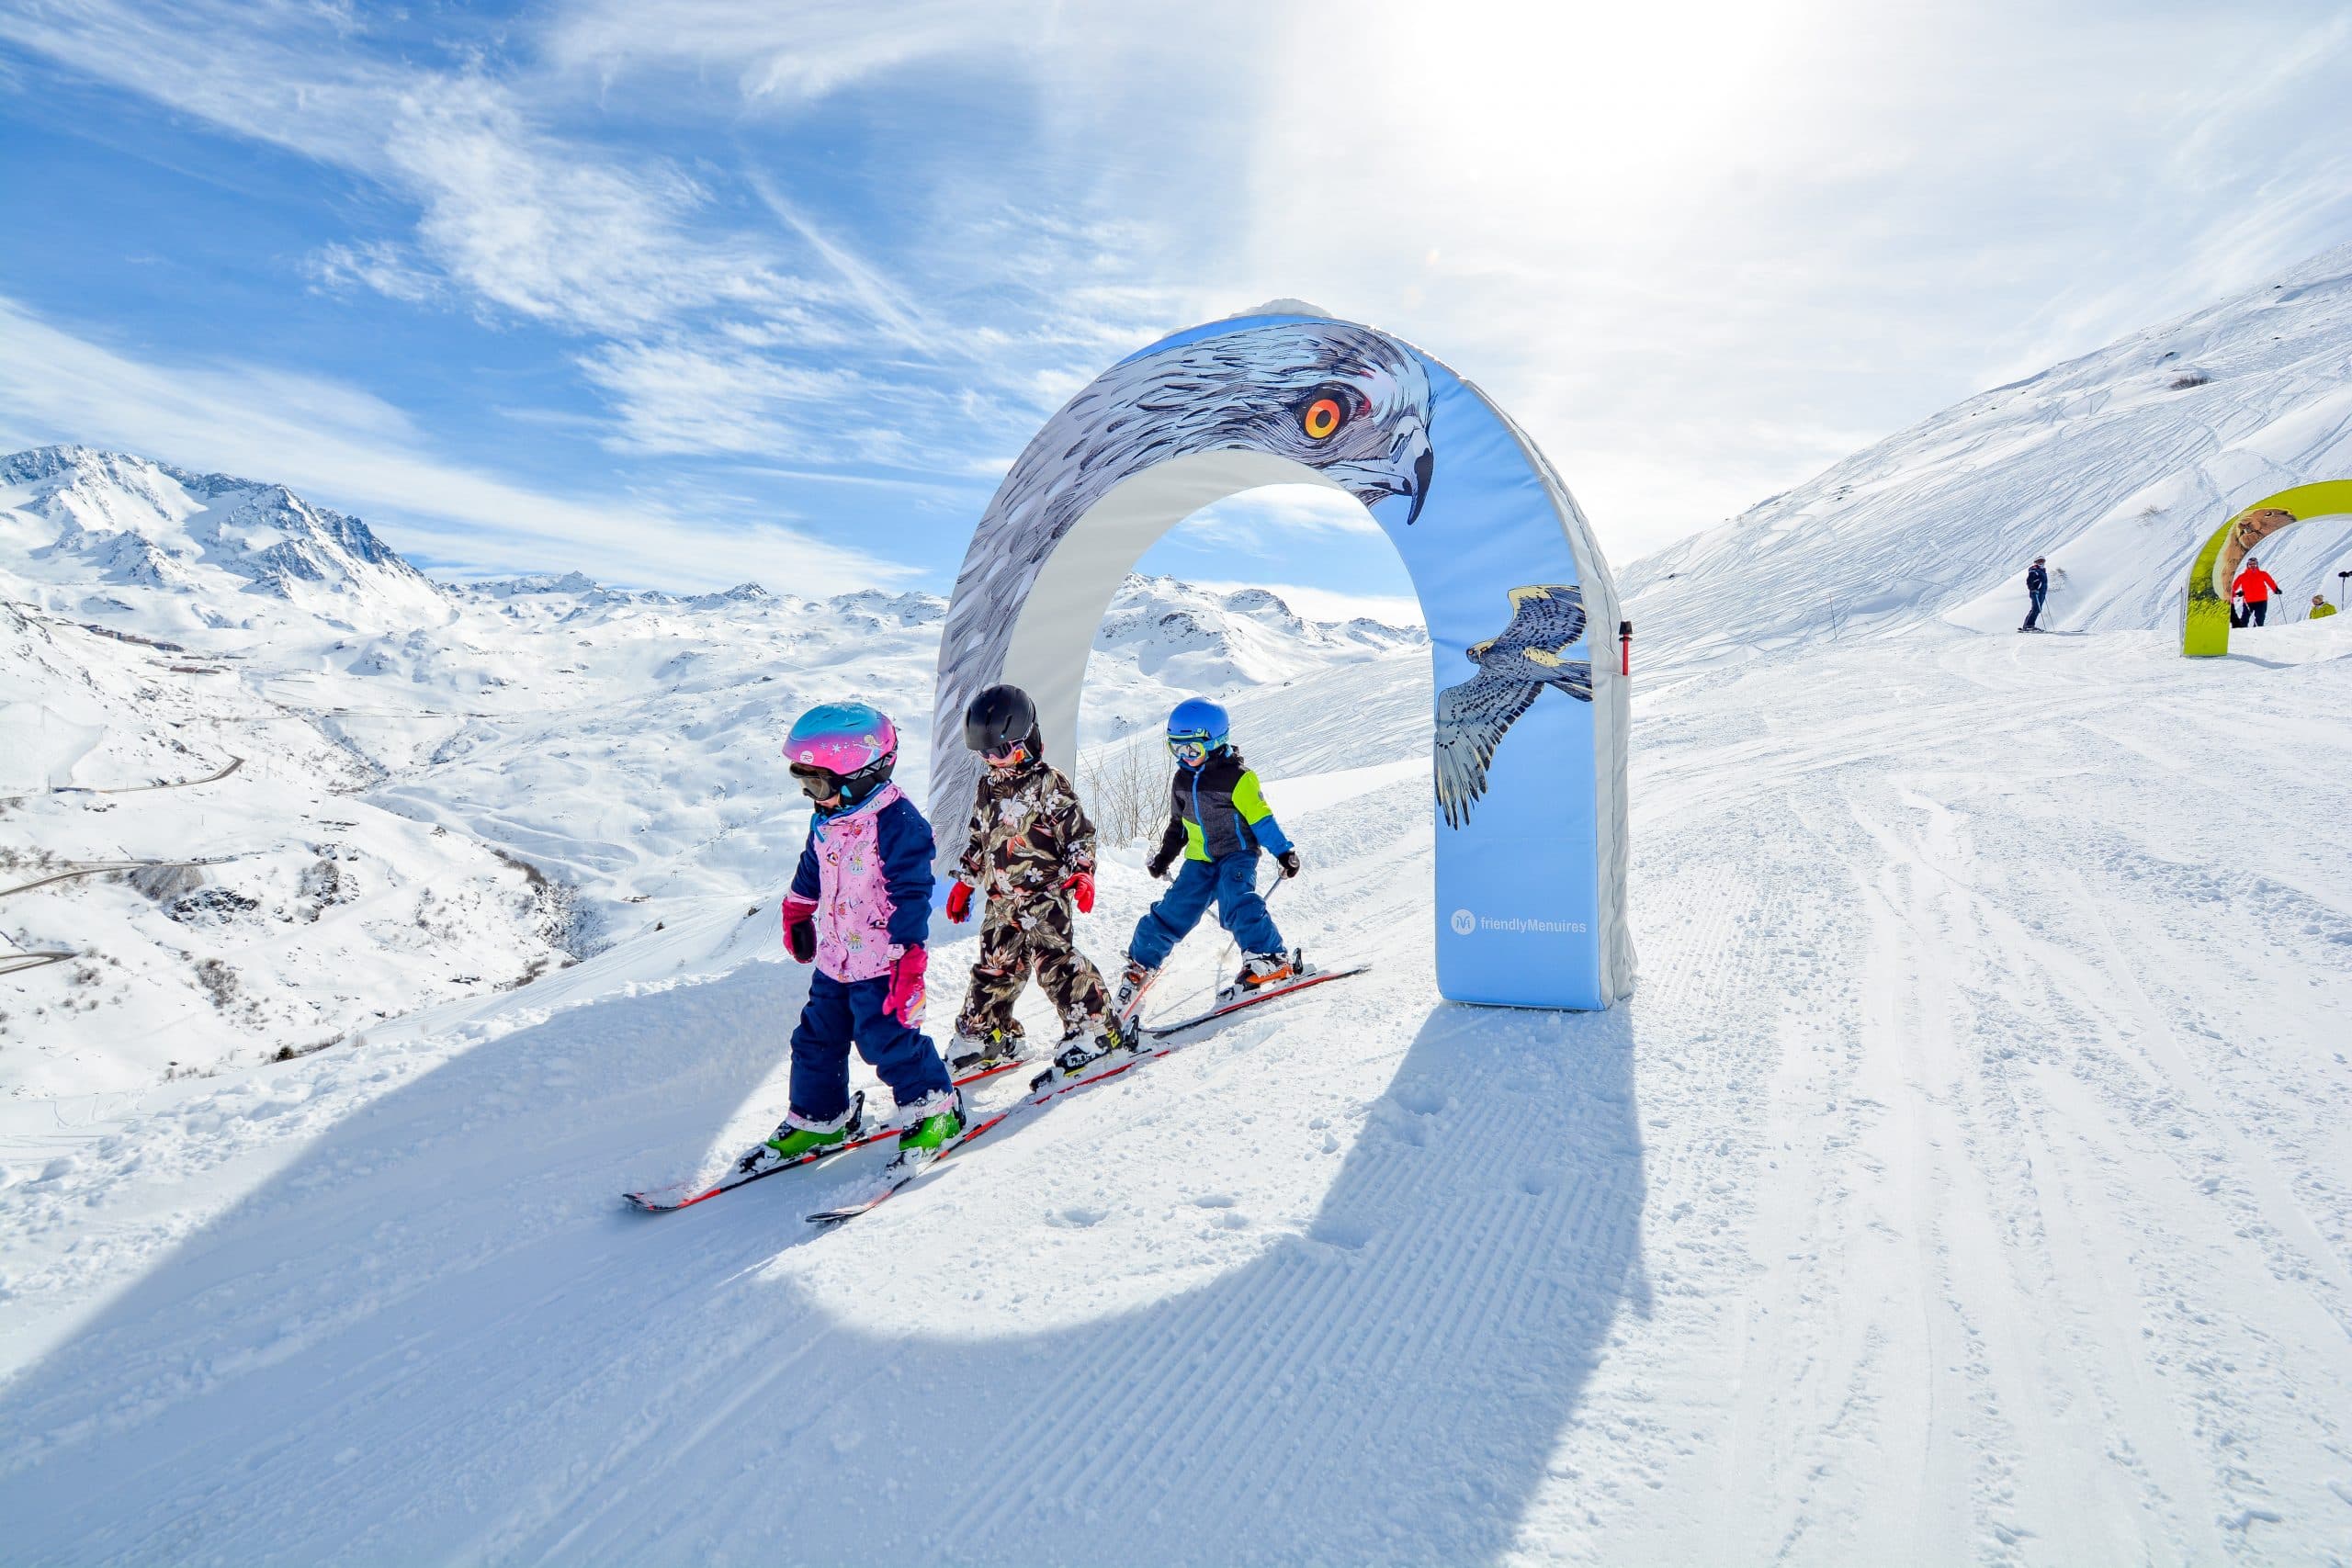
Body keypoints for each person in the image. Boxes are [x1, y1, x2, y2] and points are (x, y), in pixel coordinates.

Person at [762, 701, 962, 1164]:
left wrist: (909, 955)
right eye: (803, 784)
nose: (812, 796)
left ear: (861, 775)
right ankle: (820, 1119)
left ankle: (937, 1109)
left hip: (882, 959)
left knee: (886, 1038)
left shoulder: (900, 825)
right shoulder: (828, 818)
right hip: (836, 959)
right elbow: (814, 862)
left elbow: (912, 891)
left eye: (817, 784)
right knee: (815, 1039)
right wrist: (797, 907)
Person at [943, 683, 1120, 1075]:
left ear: (1028, 739)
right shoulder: (987, 785)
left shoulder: (1047, 783)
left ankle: (1095, 1028)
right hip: (1000, 901)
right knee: (994, 967)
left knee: (1054, 963)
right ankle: (987, 1035)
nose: (995, 761)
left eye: (1002, 751)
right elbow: (980, 836)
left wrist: (1083, 873)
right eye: (985, 753)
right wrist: (965, 879)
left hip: (1045, 896)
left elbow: (1078, 833)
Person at [1114, 697, 1302, 1023]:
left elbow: (1261, 820)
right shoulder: (1182, 781)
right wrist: (1164, 858)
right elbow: (1178, 827)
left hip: (1237, 854)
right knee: (1173, 909)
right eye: (1178, 749)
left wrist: (1283, 852)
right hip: (1199, 860)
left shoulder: (1239, 779)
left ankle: (1269, 956)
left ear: (1215, 743)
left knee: (1237, 900)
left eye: (1193, 750)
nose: (1185, 758)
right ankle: (1141, 963)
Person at [2233, 555, 2281, 626]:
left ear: (2257, 564)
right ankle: (2242, 634)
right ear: (2247, 565)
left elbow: (2270, 582)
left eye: (2254, 564)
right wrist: (2237, 594)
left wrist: (2275, 589)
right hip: (2248, 600)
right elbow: (2233, 588)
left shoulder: (2263, 574)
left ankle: (2256, 633)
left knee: (2260, 618)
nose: (2252, 566)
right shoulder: (2242, 576)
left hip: (2261, 600)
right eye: (2250, 564)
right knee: (2244, 619)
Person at [2020, 556, 2049, 631]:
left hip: (2041, 592)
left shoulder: (2042, 570)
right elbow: (2029, 580)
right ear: (2036, 562)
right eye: (2039, 561)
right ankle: (2029, 625)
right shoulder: (2034, 570)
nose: (2041, 563)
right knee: (2036, 608)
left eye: (2042, 561)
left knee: (2037, 609)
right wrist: (2033, 588)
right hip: (2036, 592)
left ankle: (2027, 625)